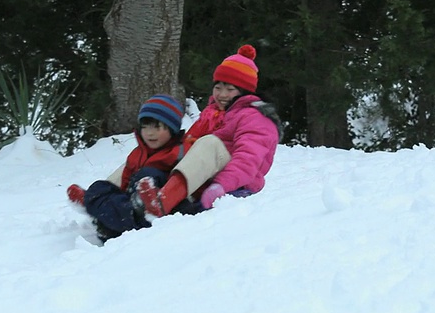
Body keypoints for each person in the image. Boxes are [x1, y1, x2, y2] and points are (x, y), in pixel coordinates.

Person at [135, 44, 284, 217]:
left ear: (244, 92)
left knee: (210, 142)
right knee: (152, 159)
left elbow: (248, 159)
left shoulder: (256, 117)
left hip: (235, 185)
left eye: (230, 89)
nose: (222, 94)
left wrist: (220, 185)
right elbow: (188, 143)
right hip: (204, 178)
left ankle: (163, 202)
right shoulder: (211, 113)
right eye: (218, 88)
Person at [66, 94, 192, 242]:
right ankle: (93, 201)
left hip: (159, 207)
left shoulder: (180, 151)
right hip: (132, 202)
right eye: (145, 127)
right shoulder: (137, 154)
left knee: (148, 174)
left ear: (172, 129)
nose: (150, 133)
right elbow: (125, 182)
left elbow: (185, 180)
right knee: (100, 187)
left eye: (157, 127)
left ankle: (105, 218)